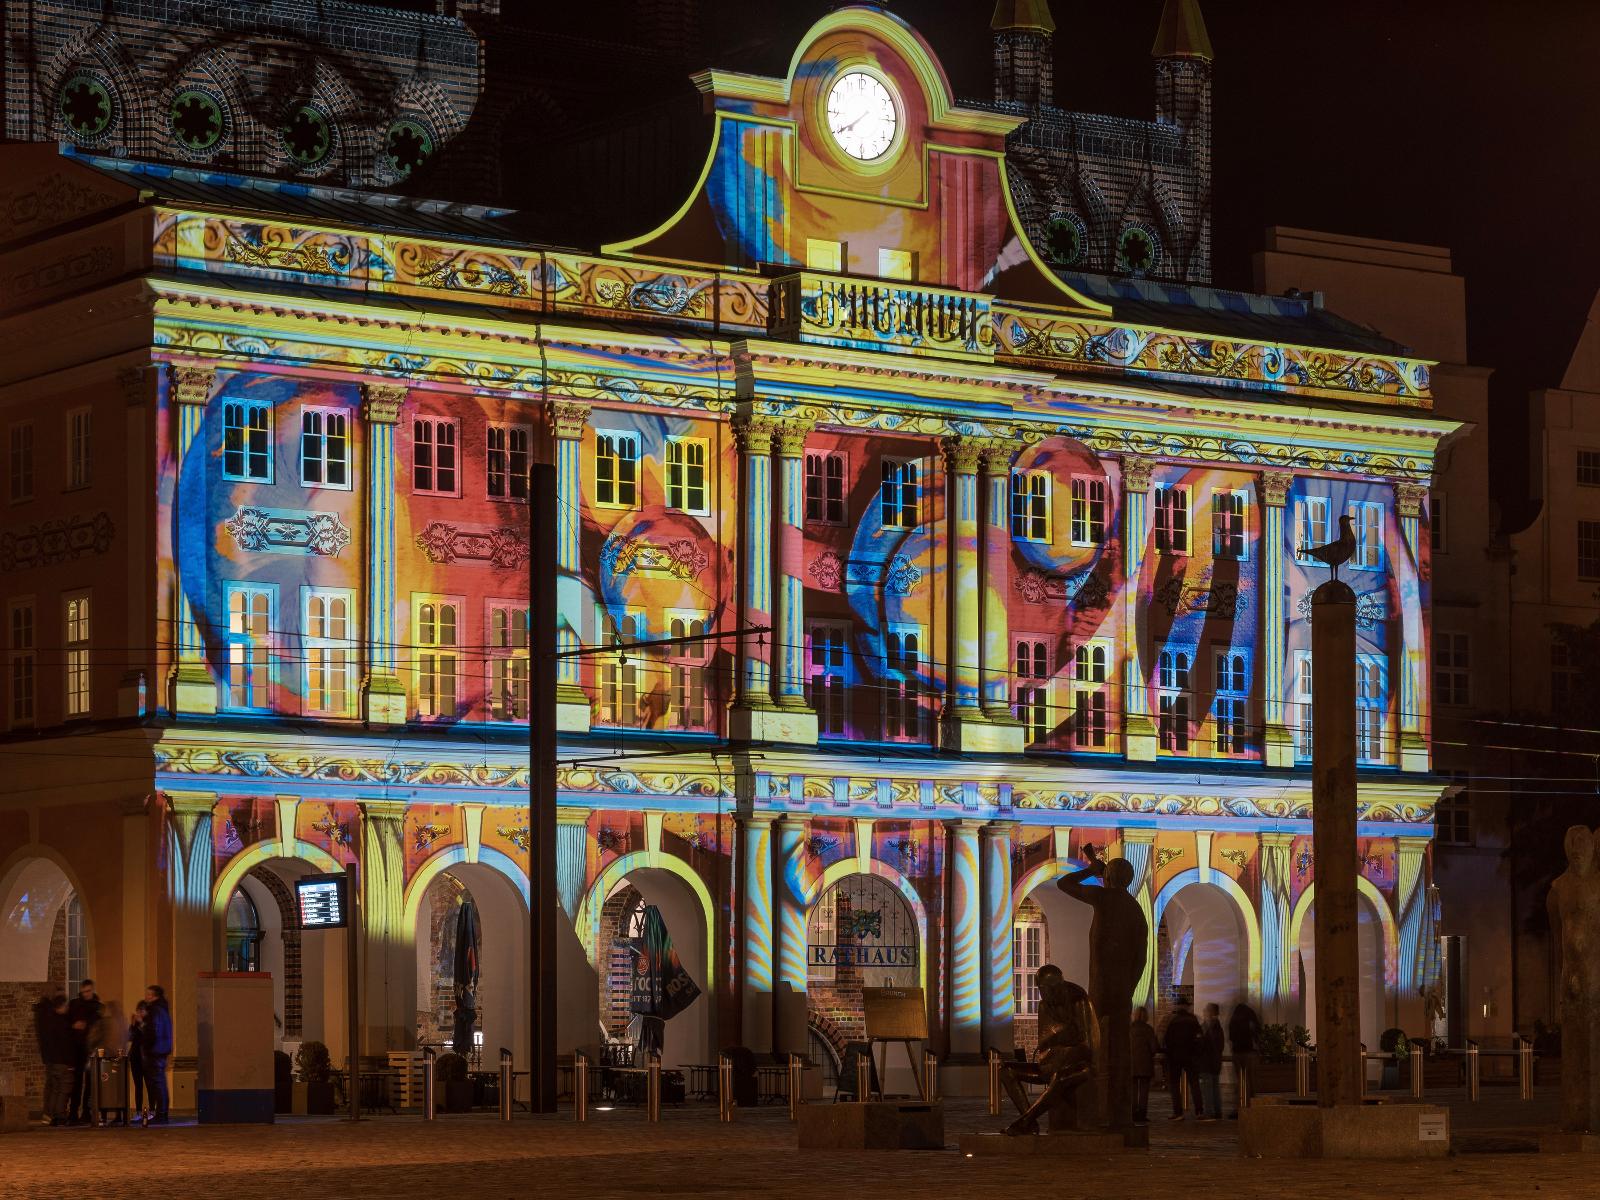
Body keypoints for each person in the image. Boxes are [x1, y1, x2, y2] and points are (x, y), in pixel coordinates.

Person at [1056, 845, 1148, 1130]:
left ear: (1107, 877)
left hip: (1101, 986)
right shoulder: (1135, 910)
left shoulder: (1103, 896)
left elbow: (1064, 883)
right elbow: (1141, 957)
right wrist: (1130, 987)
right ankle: (1119, 1112)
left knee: (1092, 1048)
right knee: (1120, 1053)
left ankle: (1095, 1109)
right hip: (1123, 990)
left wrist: (1090, 871)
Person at [998, 965, 1097, 1136]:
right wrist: (1051, 1052)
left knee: (1059, 1077)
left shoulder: (1078, 1000)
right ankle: (1030, 1123)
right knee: (1007, 1071)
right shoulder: (1044, 1006)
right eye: (1043, 990)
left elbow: (1086, 1044)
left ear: (1061, 985)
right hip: (1054, 1063)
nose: (1047, 994)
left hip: (1081, 1066)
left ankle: (1025, 1121)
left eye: (1052, 989)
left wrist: (1058, 1041)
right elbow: (1044, 1043)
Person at [65, 978, 103, 1124]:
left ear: (92, 990)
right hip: (77, 1049)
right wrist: (74, 1026)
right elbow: (67, 1024)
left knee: (90, 1084)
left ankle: (86, 1113)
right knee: (76, 1083)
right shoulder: (75, 1004)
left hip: (90, 1050)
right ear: (81, 991)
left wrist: (86, 1026)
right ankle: (73, 1113)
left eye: (89, 991)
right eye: (84, 992)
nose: (86, 994)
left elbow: (98, 1027)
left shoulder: (97, 1007)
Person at [34, 993, 75, 1126]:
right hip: (62, 1061)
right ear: (61, 1006)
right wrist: (70, 1062)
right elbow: (66, 1044)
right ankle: (60, 1115)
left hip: (50, 1060)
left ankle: (49, 1115)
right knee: (63, 1089)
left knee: (54, 1089)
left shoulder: (47, 1020)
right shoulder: (61, 1023)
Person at [87, 999, 126, 1125]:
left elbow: (93, 1038)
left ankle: (102, 1116)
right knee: (118, 1087)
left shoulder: (103, 1023)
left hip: (104, 1059)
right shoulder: (121, 1021)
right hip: (119, 1060)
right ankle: (119, 1115)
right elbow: (125, 1038)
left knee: (103, 1086)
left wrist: (92, 1047)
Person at [1162, 998, 1202, 1120]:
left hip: (1175, 1057)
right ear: (1187, 1007)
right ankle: (1199, 1111)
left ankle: (1178, 1112)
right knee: (1194, 1083)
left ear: (1178, 1007)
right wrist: (1196, 1053)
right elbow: (1199, 1039)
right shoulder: (1193, 1020)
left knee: (1174, 1085)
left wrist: (1169, 1054)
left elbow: (1167, 1040)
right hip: (1190, 1057)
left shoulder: (1172, 1021)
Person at [142, 984, 173, 1124]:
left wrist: (147, 1047)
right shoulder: (164, 1010)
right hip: (162, 1049)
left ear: (155, 996)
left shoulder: (154, 1010)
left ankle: (161, 1114)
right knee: (161, 1082)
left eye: (149, 994)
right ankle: (163, 1112)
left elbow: (152, 1032)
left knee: (158, 1083)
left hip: (155, 1050)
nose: (146, 997)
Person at [1228, 1003, 1262, 1116]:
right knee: (1251, 1082)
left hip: (1238, 1053)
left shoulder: (1234, 1017)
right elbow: (1257, 1031)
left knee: (1240, 1082)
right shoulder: (1251, 1015)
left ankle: (1240, 1107)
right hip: (1250, 1053)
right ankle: (1251, 1106)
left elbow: (1231, 1036)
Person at [1129, 1006, 1161, 1124]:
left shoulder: (1130, 1029)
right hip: (1145, 1063)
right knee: (1143, 1090)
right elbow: (1153, 1048)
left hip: (1131, 1063)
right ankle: (1142, 1113)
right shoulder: (1148, 1029)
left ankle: (1132, 1112)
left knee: (1133, 1089)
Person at [1196, 1003, 1225, 1123]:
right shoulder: (1218, 1026)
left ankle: (1209, 1113)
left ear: (1211, 1012)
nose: (1204, 1012)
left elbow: (1204, 1044)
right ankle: (1217, 1111)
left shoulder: (1208, 1027)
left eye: (1206, 1010)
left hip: (1207, 1061)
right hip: (1215, 1061)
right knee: (1214, 1087)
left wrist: (1199, 1039)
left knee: (1208, 1088)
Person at [128, 1002, 149, 1125]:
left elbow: (148, 1035)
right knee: (138, 1086)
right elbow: (129, 1038)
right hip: (135, 1057)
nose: (139, 1013)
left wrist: (141, 1023)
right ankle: (138, 1112)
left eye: (141, 1011)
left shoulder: (148, 1023)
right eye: (138, 1011)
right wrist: (132, 1024)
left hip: (146, 1058)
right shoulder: (135, 1024)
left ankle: (152, 1110)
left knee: (149, 1085)